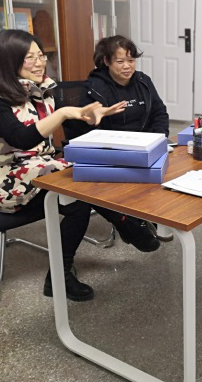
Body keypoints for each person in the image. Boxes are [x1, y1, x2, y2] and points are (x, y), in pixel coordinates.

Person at [0, 30, 126, 301]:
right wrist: (63, 113)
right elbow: (21, 138)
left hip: (37, 167)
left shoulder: (38, 90)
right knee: (78, 196)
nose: (39, 63)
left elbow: (69, 126)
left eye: (41, 56)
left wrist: (90, 116)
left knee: (86, 170)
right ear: (7, 61)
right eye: (30, 58)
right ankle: (122, 229)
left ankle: (125, 225)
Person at [70, 35, 171, 249]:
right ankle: (127, 222)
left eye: (131, 60)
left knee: (171, 167)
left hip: (145, 149)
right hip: (111, 152)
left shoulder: (143, 81)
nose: (127, 66)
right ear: (106, 61)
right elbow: (86, 131)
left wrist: (158, 139)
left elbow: (159, 113)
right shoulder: (94, 88)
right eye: (120, 61)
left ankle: (148, 216)